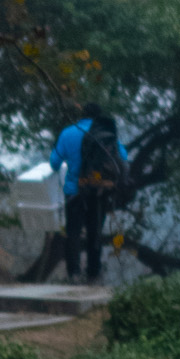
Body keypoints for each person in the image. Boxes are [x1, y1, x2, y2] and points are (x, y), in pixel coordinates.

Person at [49, 109, 128, 282]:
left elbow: (54, 163)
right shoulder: (105, 133)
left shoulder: (69, 132)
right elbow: (123, 156)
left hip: (74, 190)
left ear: (81, 115)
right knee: (95, 231)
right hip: (99, 190)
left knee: (73, 232)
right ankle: (93, 272)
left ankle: (74, 273)